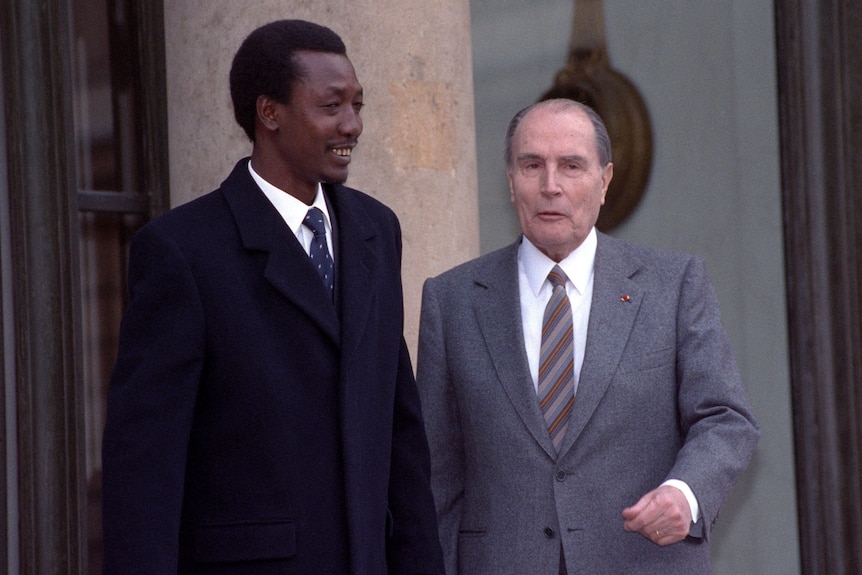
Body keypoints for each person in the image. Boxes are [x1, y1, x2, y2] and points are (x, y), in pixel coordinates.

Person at [101, 19, 443, 575]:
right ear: (269, 113)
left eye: (358, 104)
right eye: (332, 106)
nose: (352, 125)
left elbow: (400, 433)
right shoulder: (181, 251)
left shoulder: (377, 231)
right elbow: (143, 469)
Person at [416, 98, 759, 574]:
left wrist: (686, 492)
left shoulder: (673, 284)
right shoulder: (451, 300)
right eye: (531, 165)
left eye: (571, 166)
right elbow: (435, 471)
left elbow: (725, 417)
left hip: (640, 559)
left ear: (605, 180)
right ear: (511, 181)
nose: (550, 186)